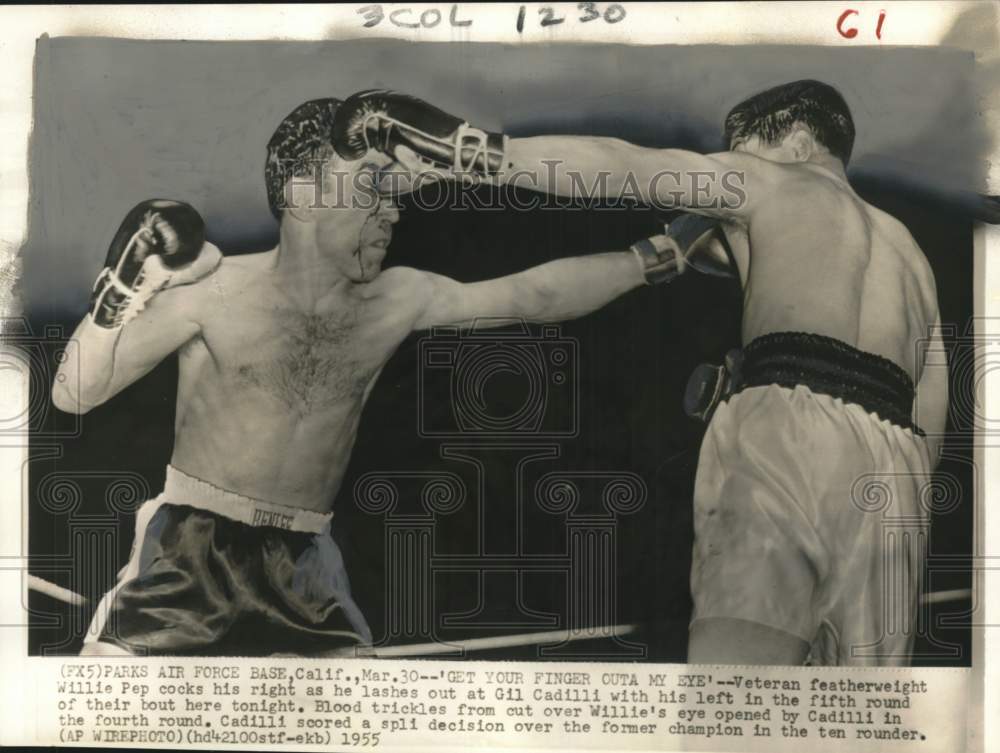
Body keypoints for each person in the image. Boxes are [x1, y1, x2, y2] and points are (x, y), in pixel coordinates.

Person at [52, 98, 719, 657]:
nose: (393, 213)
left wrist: (657, 257)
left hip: (309, 565)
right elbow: (73, 392)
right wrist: (116, 299)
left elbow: (532, 296)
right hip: (190, 549)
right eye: (376, 193)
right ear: (304, 194)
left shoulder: (395, 299)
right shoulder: (215, 289)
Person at [337, 81, 950, 665]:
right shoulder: (913, 258)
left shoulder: (771, 180)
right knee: (854, 717)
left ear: (794, 142)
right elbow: (932, 411)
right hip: (897, 478)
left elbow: (626, 164)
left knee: (735, 700)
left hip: (787, 432)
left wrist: (469, 152)